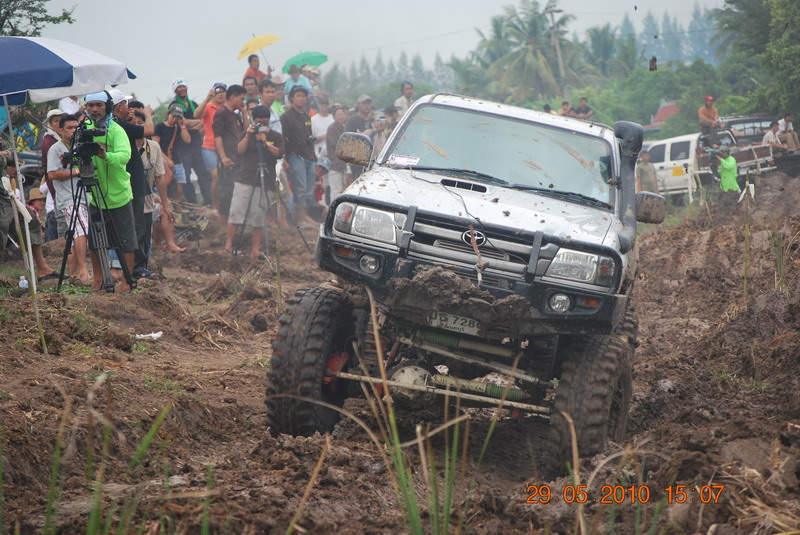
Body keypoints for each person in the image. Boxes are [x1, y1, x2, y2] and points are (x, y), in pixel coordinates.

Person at [83, 91, 136, 293]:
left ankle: (127, 281)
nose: (95, 109)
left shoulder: (116, 130)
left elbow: (125, 156)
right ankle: (98, 279)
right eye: (91, 105)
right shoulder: (85, 128)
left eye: (99, 105)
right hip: (95, 195)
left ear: (107, 106)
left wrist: (105, 155)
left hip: (119, 196)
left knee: (126, 242)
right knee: (94, 242)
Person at [108, 88, 155, 279]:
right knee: (137, 225)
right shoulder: (118, 125)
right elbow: (149, 130)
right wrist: (147, 114)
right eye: (126, 104)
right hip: (132, 180)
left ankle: (133, 266)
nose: (129, 108)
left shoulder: (115, 124)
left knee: (134, 224)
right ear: (119, 106)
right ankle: (136, 267)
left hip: (127, 179)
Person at [226, 105, 284, 258]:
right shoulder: (247, 133)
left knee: (258, 216)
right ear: (253, 120)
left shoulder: (276, 136)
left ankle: (255, 249)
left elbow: (279, 154)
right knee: (236, 212)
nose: (262, 125)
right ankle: (228, 246)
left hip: (264, 180)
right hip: (245, 178)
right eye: (259, 122)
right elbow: (239, 150)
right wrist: (248, 135)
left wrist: (266, 143)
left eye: (265, 122)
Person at [132, 110, 184, 256]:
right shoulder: (124, 145)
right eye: (134, 124)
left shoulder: (153, 147)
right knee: (133, 237)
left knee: (145, 237)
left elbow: (160, 177)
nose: (137, 127)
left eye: (140, 123)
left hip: (147, 198)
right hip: (128, 199)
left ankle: (166, 244)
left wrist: (165, 202)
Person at [47, 114, 90, 282]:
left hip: (84, 196)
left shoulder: (81, 146)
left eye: (75, 127)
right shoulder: (56, 149)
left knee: (73, 237)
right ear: (60, 130)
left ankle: (72, 275)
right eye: (69, 128)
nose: (73, 131)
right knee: (82, 231)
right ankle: (84, 271)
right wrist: (77, 171)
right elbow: (52, 174)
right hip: (68, 197)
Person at [0, 156, 58, 280]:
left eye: (17, 166)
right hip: (2, 202)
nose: (16, 169)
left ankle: (43, 268)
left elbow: (10, 152)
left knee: (31, 222)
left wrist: (6, 153)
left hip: (8, 199)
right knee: (2, 230)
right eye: (12, 166)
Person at [281, 85, 319, 226]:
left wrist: (314, 157)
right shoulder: (286, 117)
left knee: (309, 190)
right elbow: (283, 139)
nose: (301, 98)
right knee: (300, 189)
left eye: (303, 96)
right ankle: (300, 219)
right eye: (298, 96)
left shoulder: (307, 116)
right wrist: (285, 158)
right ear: (292, 98)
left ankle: (304, 217)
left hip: (309, 156)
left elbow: (309, 137)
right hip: (295, 156)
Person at [213, 85, 247, 227]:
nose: (243, 102)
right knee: (226, 194)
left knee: (236, 193)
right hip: (228, 160)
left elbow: (246, 131)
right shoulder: (221, 113)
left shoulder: (236, 114)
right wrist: (223, 157)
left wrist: (244, 112)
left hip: (238, 159)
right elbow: (218, 137)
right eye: (241, 99)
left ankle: (233, 225)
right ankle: (222, 228)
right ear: (233, 97)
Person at [170, 78, 206, 205]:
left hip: (197, 146)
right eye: (179, 87)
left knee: (203, 175)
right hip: (182, 148)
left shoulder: (194, 104)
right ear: (175, 90)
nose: (182, 89)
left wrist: (190, 123)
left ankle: (208, 203)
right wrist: (195, 123)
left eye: (183, 86)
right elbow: (181, 122)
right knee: (186, 178)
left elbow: (202, 123)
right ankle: (192, 205)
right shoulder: (174, 105)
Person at [194, 82, 227, 212]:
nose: (220, 94)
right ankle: (214, 205)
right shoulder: (208, 107)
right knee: (216, 175)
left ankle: (225, 203)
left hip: (225, 147)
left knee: (227, 176)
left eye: (223, 91)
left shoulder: (228, 108)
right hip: (209, 147)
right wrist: (207, 98)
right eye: (218, 91)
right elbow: (196, 115)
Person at [154, 105, 192, 204]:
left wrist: (182, 125)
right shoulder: (160, 127)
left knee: (180, 185)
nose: (175, 119)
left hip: (177, 160)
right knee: (163, 184)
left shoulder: (178, 128)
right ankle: (163, 203)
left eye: (177, 117)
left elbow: (187, 140)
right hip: (162, 161)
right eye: (173, 116)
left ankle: (177, 205)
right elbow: (155, 146)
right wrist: (166, 160)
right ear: (169, 114)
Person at [41, 108, 66, 241]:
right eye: (55, 121)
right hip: (57, 184)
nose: (58, 123)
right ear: (50, 123)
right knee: (62, 219)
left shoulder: (61, 138)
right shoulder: (49, 141)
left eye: (60, 120)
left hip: (65, 184)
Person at [345, 95, 375, 179]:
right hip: (356, 163)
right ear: (358, 105)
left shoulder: (373, 120)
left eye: (368, 103)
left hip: (372, 161)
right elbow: (348, 142)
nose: (367, 106)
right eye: (364, 103)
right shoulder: (352, 121)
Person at [326, 105, 349, 199]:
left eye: (342, 114)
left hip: (343, 165)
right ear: (333, 116)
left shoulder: (344, 128)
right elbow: (336, 146)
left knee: (343, 191)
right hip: (335, 165)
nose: (341, 116)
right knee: (336, 191)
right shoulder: (331, 128)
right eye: (338, 114)